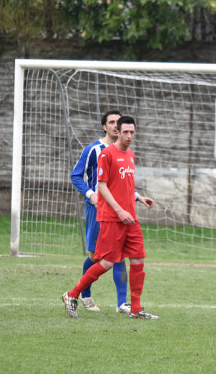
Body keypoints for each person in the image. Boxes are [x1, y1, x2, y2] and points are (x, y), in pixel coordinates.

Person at [63, 116, 158, 319]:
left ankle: (135, 308)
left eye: (132, 132)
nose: (129, 136)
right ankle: (72, 295)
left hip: (130, 218)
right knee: (105, 262)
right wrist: (119, 210)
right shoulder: (106, 154)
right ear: (117, 131)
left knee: (138, 259)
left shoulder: (131, 154)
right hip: (112, 218)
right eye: (125, 132)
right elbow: (102, 186)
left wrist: (138, 198)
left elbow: (124, 185)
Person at [70, 109, 131, 314]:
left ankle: (122, 303)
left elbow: (124, 181)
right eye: (112, 122)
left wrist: (137, 196)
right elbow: (76, 176)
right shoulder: (93, 150)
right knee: (97, 256)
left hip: (118, 210)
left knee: (120, 254)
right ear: (104, 126)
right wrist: (90, 195)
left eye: (118, 122)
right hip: (97, 209)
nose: (116, 125)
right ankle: (83, 295)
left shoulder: (124, 151)